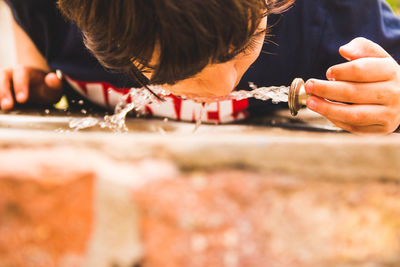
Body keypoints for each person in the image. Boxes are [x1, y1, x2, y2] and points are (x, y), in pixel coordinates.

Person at [2, 0, 400, 134]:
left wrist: (393, 99)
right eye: (171, 70)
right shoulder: (46, 14)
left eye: (243, 43)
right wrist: (27, 69)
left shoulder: (335, 16)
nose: (222, 88)